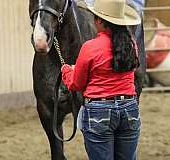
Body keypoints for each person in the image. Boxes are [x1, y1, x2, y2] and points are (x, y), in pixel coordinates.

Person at [61, 0, 141, 159]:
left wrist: (66, 70)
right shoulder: (131, 44)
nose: (93, 21)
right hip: (130, 107)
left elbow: (76, 84)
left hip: (99, 110)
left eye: (95, 18)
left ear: (101, 21)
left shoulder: (90, 47)